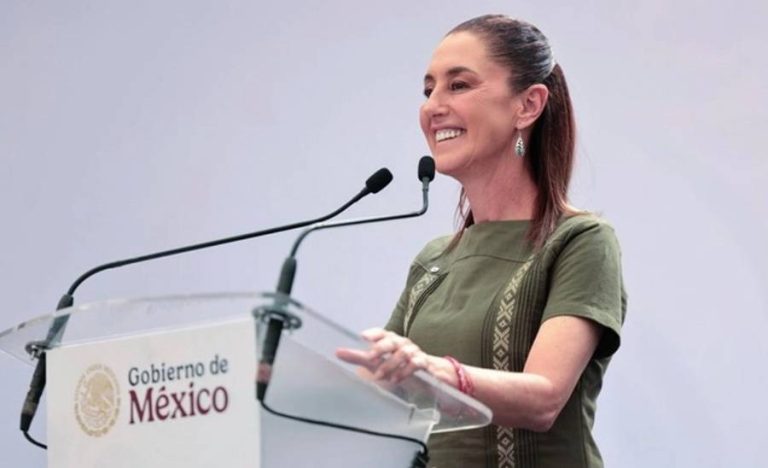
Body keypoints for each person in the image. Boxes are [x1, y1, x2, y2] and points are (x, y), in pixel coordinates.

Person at [337, 14, 626, 468]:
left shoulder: (580, 241)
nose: (433, 106)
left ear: (528, 105)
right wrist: (266, 380)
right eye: (428, 90)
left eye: (458, 85)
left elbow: (544, 398)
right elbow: (377, 389)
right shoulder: (434, 260)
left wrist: (432, 370)